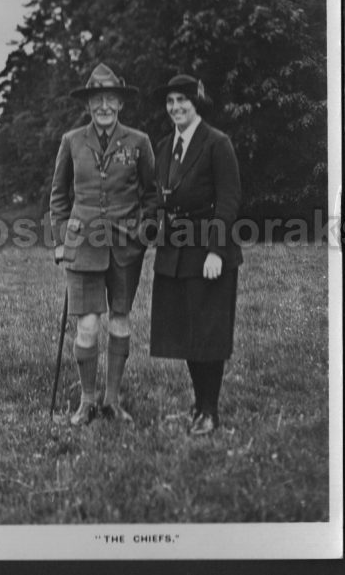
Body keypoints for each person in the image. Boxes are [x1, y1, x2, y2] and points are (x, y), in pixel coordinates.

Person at [50, 63, 156, 426]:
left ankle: (112, 400)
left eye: (111, 99)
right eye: (97, 100)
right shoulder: (71, 141)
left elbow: (152, 195)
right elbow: (58, 196)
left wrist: (145, 233)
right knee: (88, 326)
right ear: (88, 105)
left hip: (127, 247)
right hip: (83, 246)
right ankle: (87, 401)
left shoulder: (139, 142)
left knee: (121, 320)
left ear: (121, 104)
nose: (104, 106)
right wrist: (62, 240)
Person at [150, 74, 243, 435]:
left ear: (196, 102)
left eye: (182, 101)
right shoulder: (163, 146)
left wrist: (216, 251)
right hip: (175, 251)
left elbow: (229, 199)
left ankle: (210, 409)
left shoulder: (217, 143)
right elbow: (160, 198)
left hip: (207, 250)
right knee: (187, 332)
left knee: (209, 331)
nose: (176, 108)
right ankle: (197, 403)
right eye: (170, 102)